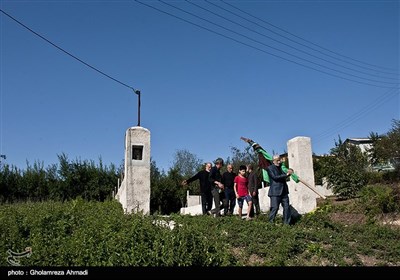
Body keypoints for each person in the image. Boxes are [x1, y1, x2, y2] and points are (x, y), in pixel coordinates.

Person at [266, 154, 294, 225]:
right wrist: (286, 174)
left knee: (287, 208)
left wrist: (290, 170)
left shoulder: (282, 167)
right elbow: (275, 177)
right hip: (275, 192)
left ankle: (286, 224)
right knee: (274, 208)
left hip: (284, 191)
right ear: (273, 161)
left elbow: (287, 171)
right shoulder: (270, 168)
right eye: (277, 160)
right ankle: (270, 224)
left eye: (279, 160)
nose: (279, 162)